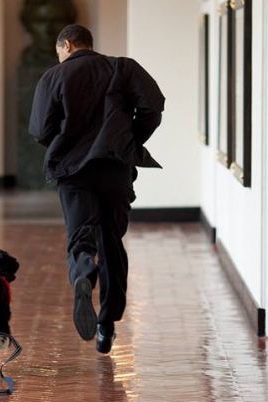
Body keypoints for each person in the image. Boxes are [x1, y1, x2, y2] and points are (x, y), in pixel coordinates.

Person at [29, 24, 165, 353]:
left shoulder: (53, 77)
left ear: (69, 45)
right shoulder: (122, 67)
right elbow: (153, 106)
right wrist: (127, 138)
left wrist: (63, 143)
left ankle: (83, 273)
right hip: (114, 167)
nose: (59, 57)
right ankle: (106, 325)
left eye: (59, 51)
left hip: (74, 170)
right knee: (111, 241)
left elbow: (39, 129)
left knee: (80, 236)